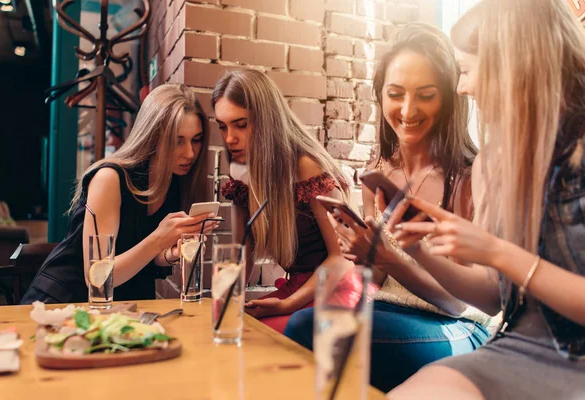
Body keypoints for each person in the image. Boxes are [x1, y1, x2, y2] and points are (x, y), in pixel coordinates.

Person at [385, 1, 585, 398]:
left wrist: (496, 251)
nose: (461, 87)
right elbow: (493, 299)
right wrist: (420, 249)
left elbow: (499, 264)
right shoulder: (495, 162)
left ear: (510, 68)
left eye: (466, 71)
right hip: (516, 350)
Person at [284, 23, 490, 393]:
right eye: (396, 93)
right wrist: (362, 260)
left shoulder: (469, 176)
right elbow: (375, 281)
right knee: (304, 322)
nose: (408, 109)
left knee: (309, 330)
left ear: (448, 96)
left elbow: (457, 302)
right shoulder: (378, 174)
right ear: (381, 95)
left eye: (426, 95)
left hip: (458, 326)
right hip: (389, 311)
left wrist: (388, 257)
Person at [22, 83, 219, 304]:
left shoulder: (176, 183)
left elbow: (142, 255)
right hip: (61, 305)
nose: (190, 153)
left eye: (197, 139)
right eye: (177, 140)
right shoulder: (110, 178)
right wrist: (159, 238)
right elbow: (97, 277)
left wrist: (170, 254)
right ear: (152, 136)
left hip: (121, 309)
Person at [213, 68, 356, 333]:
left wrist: (289, 303)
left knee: (265, 339)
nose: (230, 138)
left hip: (336, 289)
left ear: (267, 120)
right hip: (296, 291)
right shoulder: (241, 175)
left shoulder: (307, 166)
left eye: (241, 124)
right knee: (234, 328)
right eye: (223, 126)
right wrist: (228, 298)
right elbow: (241, 253)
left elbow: (342, 260)